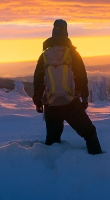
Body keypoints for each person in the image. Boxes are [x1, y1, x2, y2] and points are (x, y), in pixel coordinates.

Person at [33, 19, 102, 155]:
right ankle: (98, 163)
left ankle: (51, 168)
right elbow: (81, 77)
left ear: (53, 32)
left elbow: (38, 80)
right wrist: (85, 98)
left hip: (51, 105)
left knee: (52, 140)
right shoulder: (73, 54)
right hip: (71, 103)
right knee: (89, 132)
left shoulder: (44, 55)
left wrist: (38, 102)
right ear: (66, 32)